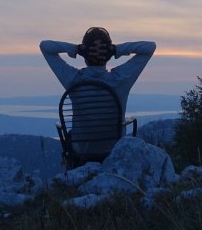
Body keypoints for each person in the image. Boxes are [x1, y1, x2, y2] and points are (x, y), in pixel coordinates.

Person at [40, 27, 156, 163]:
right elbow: (150, 47)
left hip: (81, 151)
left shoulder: (73, 80)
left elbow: (45, 46)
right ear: (108, 54)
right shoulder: (120, 80)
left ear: (85, 54)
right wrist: (116, 50)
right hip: (114, 150)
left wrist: (77, 49)